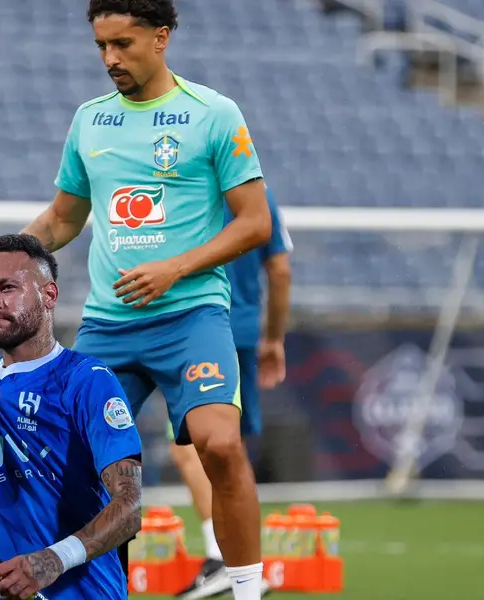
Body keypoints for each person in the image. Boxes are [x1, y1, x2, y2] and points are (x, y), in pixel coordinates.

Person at [0, 2, 273, 598]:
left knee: (220, 443)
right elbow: (62, 219)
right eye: (101, 46)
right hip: (109, 324)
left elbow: (254, 224)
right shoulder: (90, 121)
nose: (110, 59)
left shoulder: (213, 115)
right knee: (69, 465)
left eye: (123, 44)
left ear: (162, 36)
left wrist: (174, 268)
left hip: (192, 314)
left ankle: (248, 590)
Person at [0, 234, 143, 600]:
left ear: (49, 295)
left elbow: (130, 506)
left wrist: (52, 560)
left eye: (7, 288)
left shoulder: (87, 381)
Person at [174, 185, 292, 599]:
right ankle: (237, 564)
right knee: (225, 445)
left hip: (197, 329)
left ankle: (225, 558)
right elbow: (279, 270)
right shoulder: (260, 196)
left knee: (200, 446)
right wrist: (273, 337)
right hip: (239, 329)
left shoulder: (183, 189)